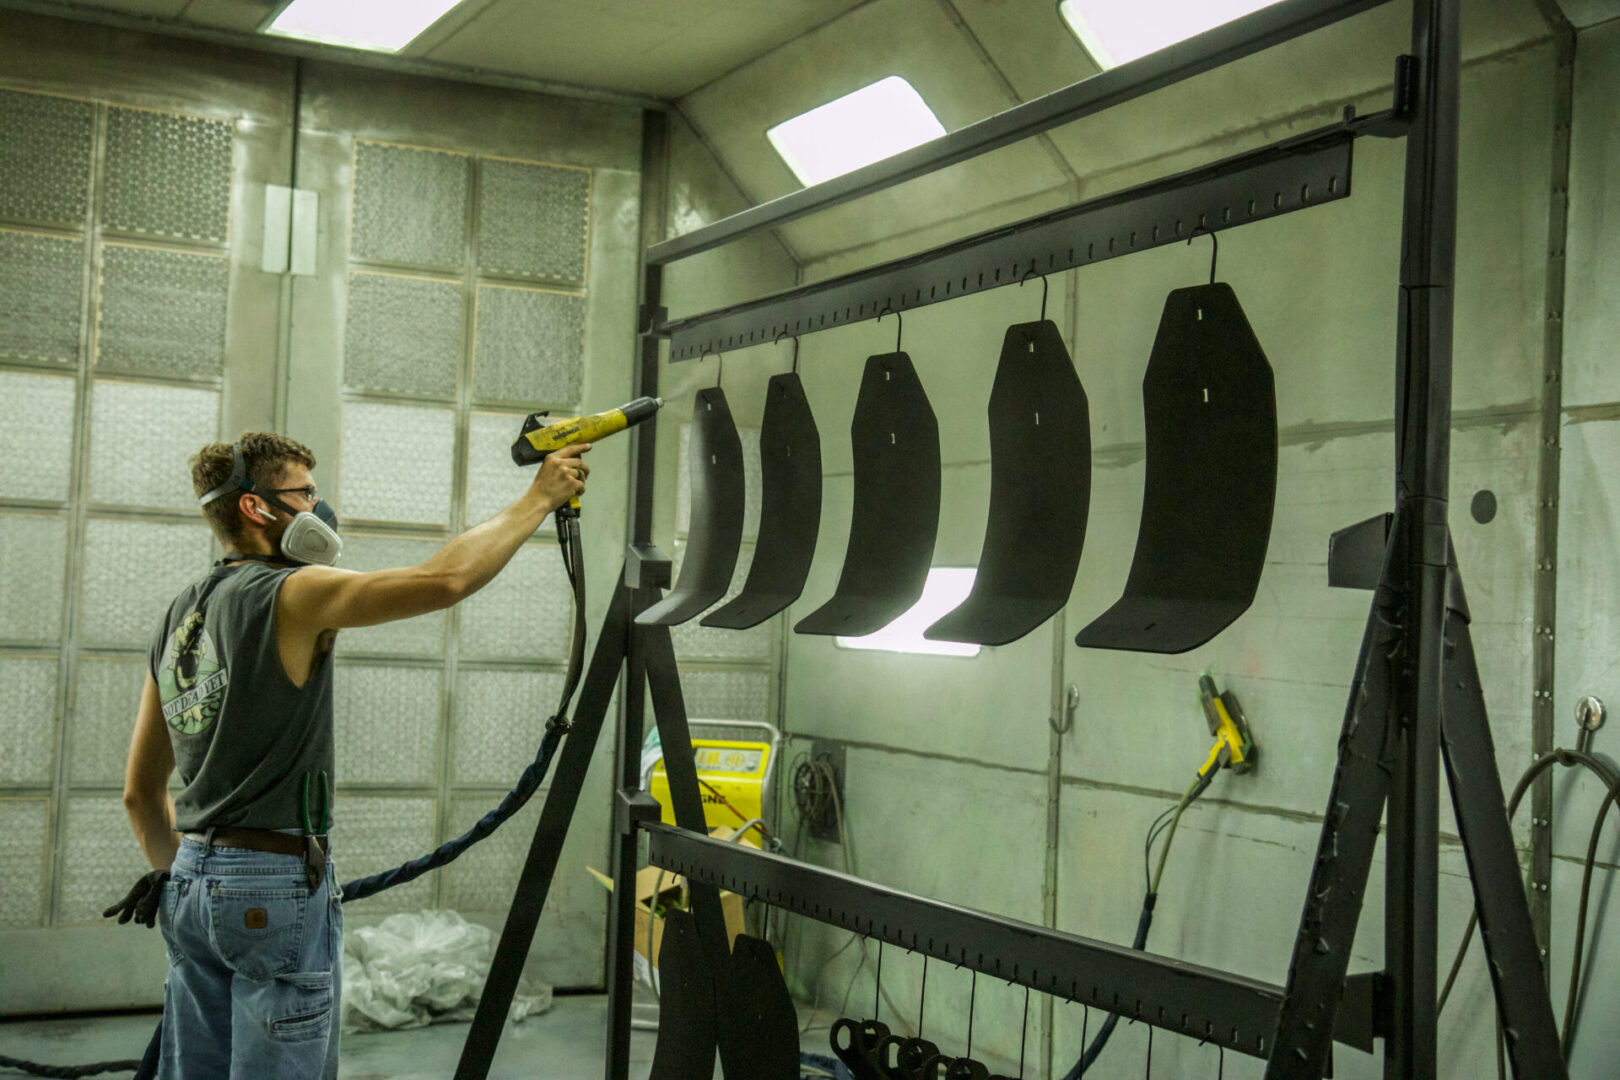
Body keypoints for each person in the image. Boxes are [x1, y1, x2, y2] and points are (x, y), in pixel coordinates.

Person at [109, 430, 589, 1080]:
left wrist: (194, 879)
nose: (318, 507)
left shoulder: (179, 615)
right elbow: (445, 579)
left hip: (188, 881)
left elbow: (141, 792)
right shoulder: (291, 593)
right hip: (271, 883)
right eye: (304, 493)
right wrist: (540, 496)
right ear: (256, 508)